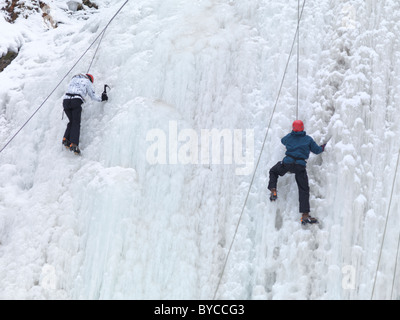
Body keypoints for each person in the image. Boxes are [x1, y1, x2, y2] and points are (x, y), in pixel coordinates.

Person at [267, 120, 326, 225]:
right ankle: (305, 215)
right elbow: (317, 150)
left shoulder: (289, 137)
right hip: (300, 166)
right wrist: (323, 146)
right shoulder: (307, 139)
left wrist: (292, 133)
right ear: (303, 128)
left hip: (287, 163)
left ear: (293, 128)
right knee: (303, 189)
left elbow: (283, 141)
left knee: (273, 171)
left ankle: (273, 190)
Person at [62, 73, 108, 154]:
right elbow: (92, 96)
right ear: (90, 79)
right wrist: (102, 98)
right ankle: (74, 144)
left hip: (66, 101)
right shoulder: (87, 82)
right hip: (76, 101)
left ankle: (66, 139)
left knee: (71, 121)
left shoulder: (73, 79)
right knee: (76, 123)